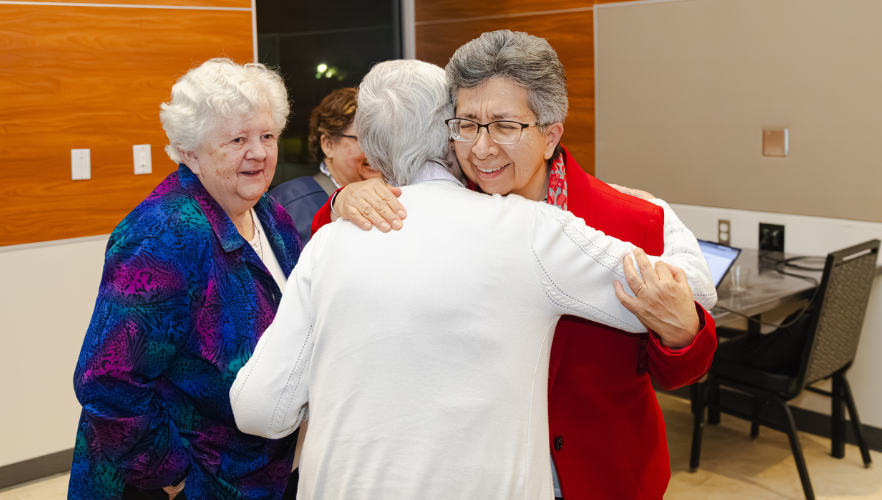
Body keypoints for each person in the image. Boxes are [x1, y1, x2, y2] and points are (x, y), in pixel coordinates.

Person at [230, 59, 717, 499]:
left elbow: (682, 305)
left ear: (549, 134)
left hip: (598, 474)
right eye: (471, 126)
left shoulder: (615, 217)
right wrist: (339, 202)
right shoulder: (517, 229)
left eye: (504, 125)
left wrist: (662, 219)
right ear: (452, 134)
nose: (485, 145)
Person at [69, 59, 303, 500]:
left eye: (266, 136)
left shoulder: (273, 217)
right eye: (237, 139)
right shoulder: (165, 233)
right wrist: (175, 478)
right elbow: (108, 381)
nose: (259, 152)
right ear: (190, 151)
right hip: (176, 482)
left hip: (253, 473)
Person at [269, 88, 380, 245]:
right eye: (364, 140)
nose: (377, 151)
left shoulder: (392, 198)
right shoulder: (288, 203)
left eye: (380, 140)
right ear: (328, 145)